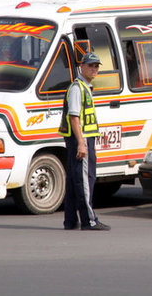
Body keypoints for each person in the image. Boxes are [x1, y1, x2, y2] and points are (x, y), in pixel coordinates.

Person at [59, 53, 110, 231]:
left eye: (97, 66)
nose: (94, 69)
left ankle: (71, 221)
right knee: (85, 180)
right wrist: (81, 142)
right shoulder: (77, 88)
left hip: (83, 138)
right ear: (82, 67)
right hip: (80, 140)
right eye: (91, 66)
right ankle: (90, 220)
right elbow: (74, 117)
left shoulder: (84, 86)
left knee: (75, 181)